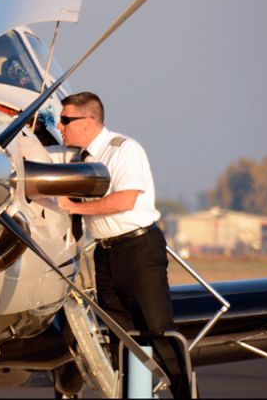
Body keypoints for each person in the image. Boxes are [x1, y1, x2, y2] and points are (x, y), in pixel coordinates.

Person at [56, 92, 189, 398]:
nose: (60, 127)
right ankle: (137, 395)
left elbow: (126, 199)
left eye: (65, 120)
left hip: (138, 251)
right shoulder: (77, 159)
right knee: (123, 337)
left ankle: (186, 394)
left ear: (88, 121)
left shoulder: (123, 150)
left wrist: (74, 208)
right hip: (105, 254)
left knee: (158, 330)